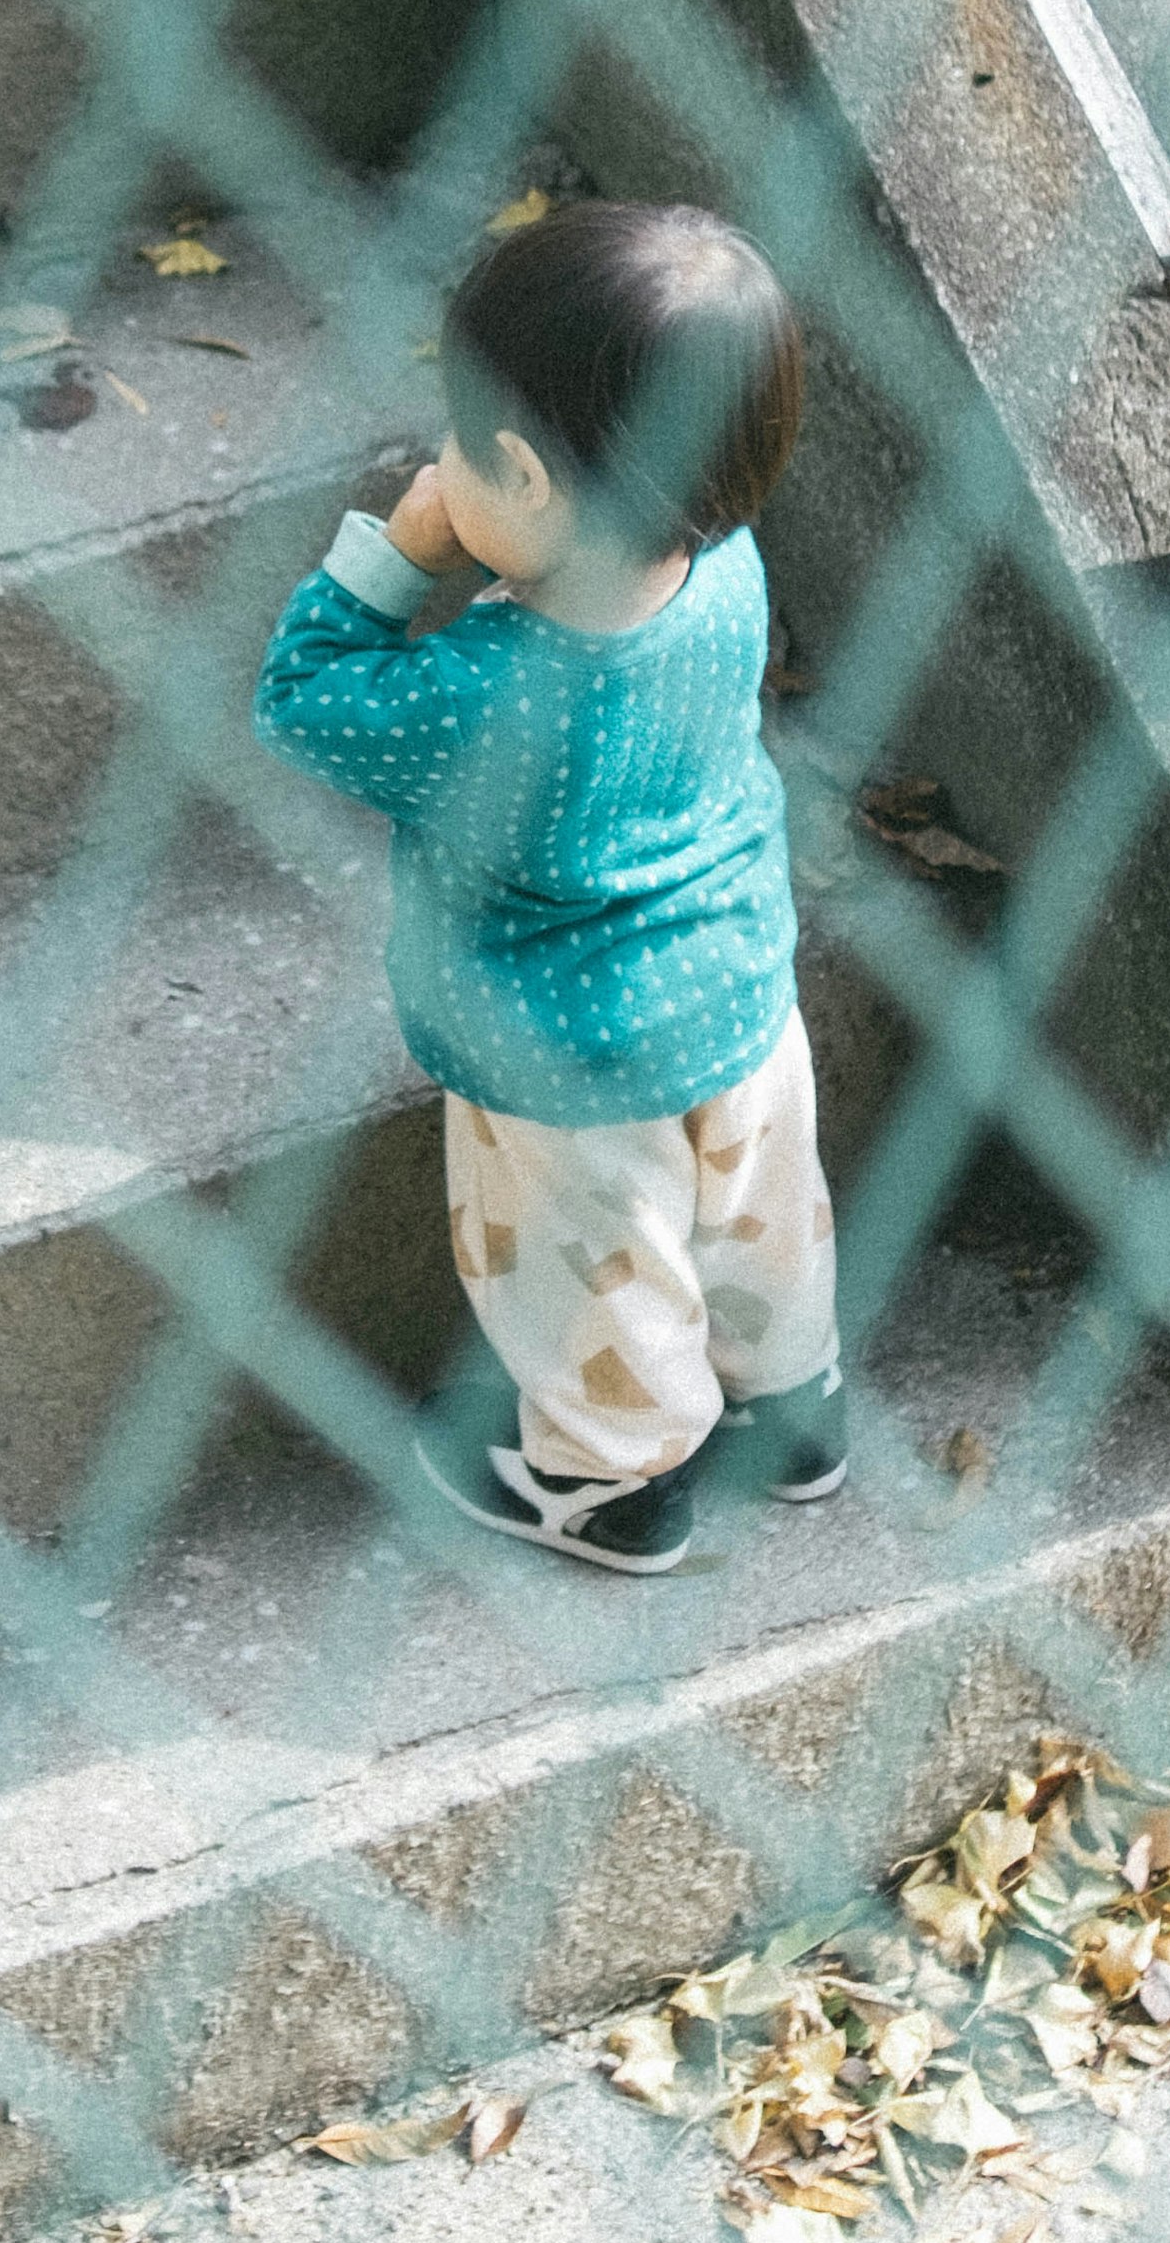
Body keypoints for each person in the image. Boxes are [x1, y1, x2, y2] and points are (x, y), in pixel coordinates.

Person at [252, 196, 841, 1573]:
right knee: (762, 1208)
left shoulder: (483, 689)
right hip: (741, 969)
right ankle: (795, 1405)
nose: (445, 466)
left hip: (564, 1037)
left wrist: (400, 554)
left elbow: (302, 700)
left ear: (519, 475)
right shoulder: (726, 568)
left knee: (597, 1268)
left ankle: (608, 1481)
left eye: (464, 447)